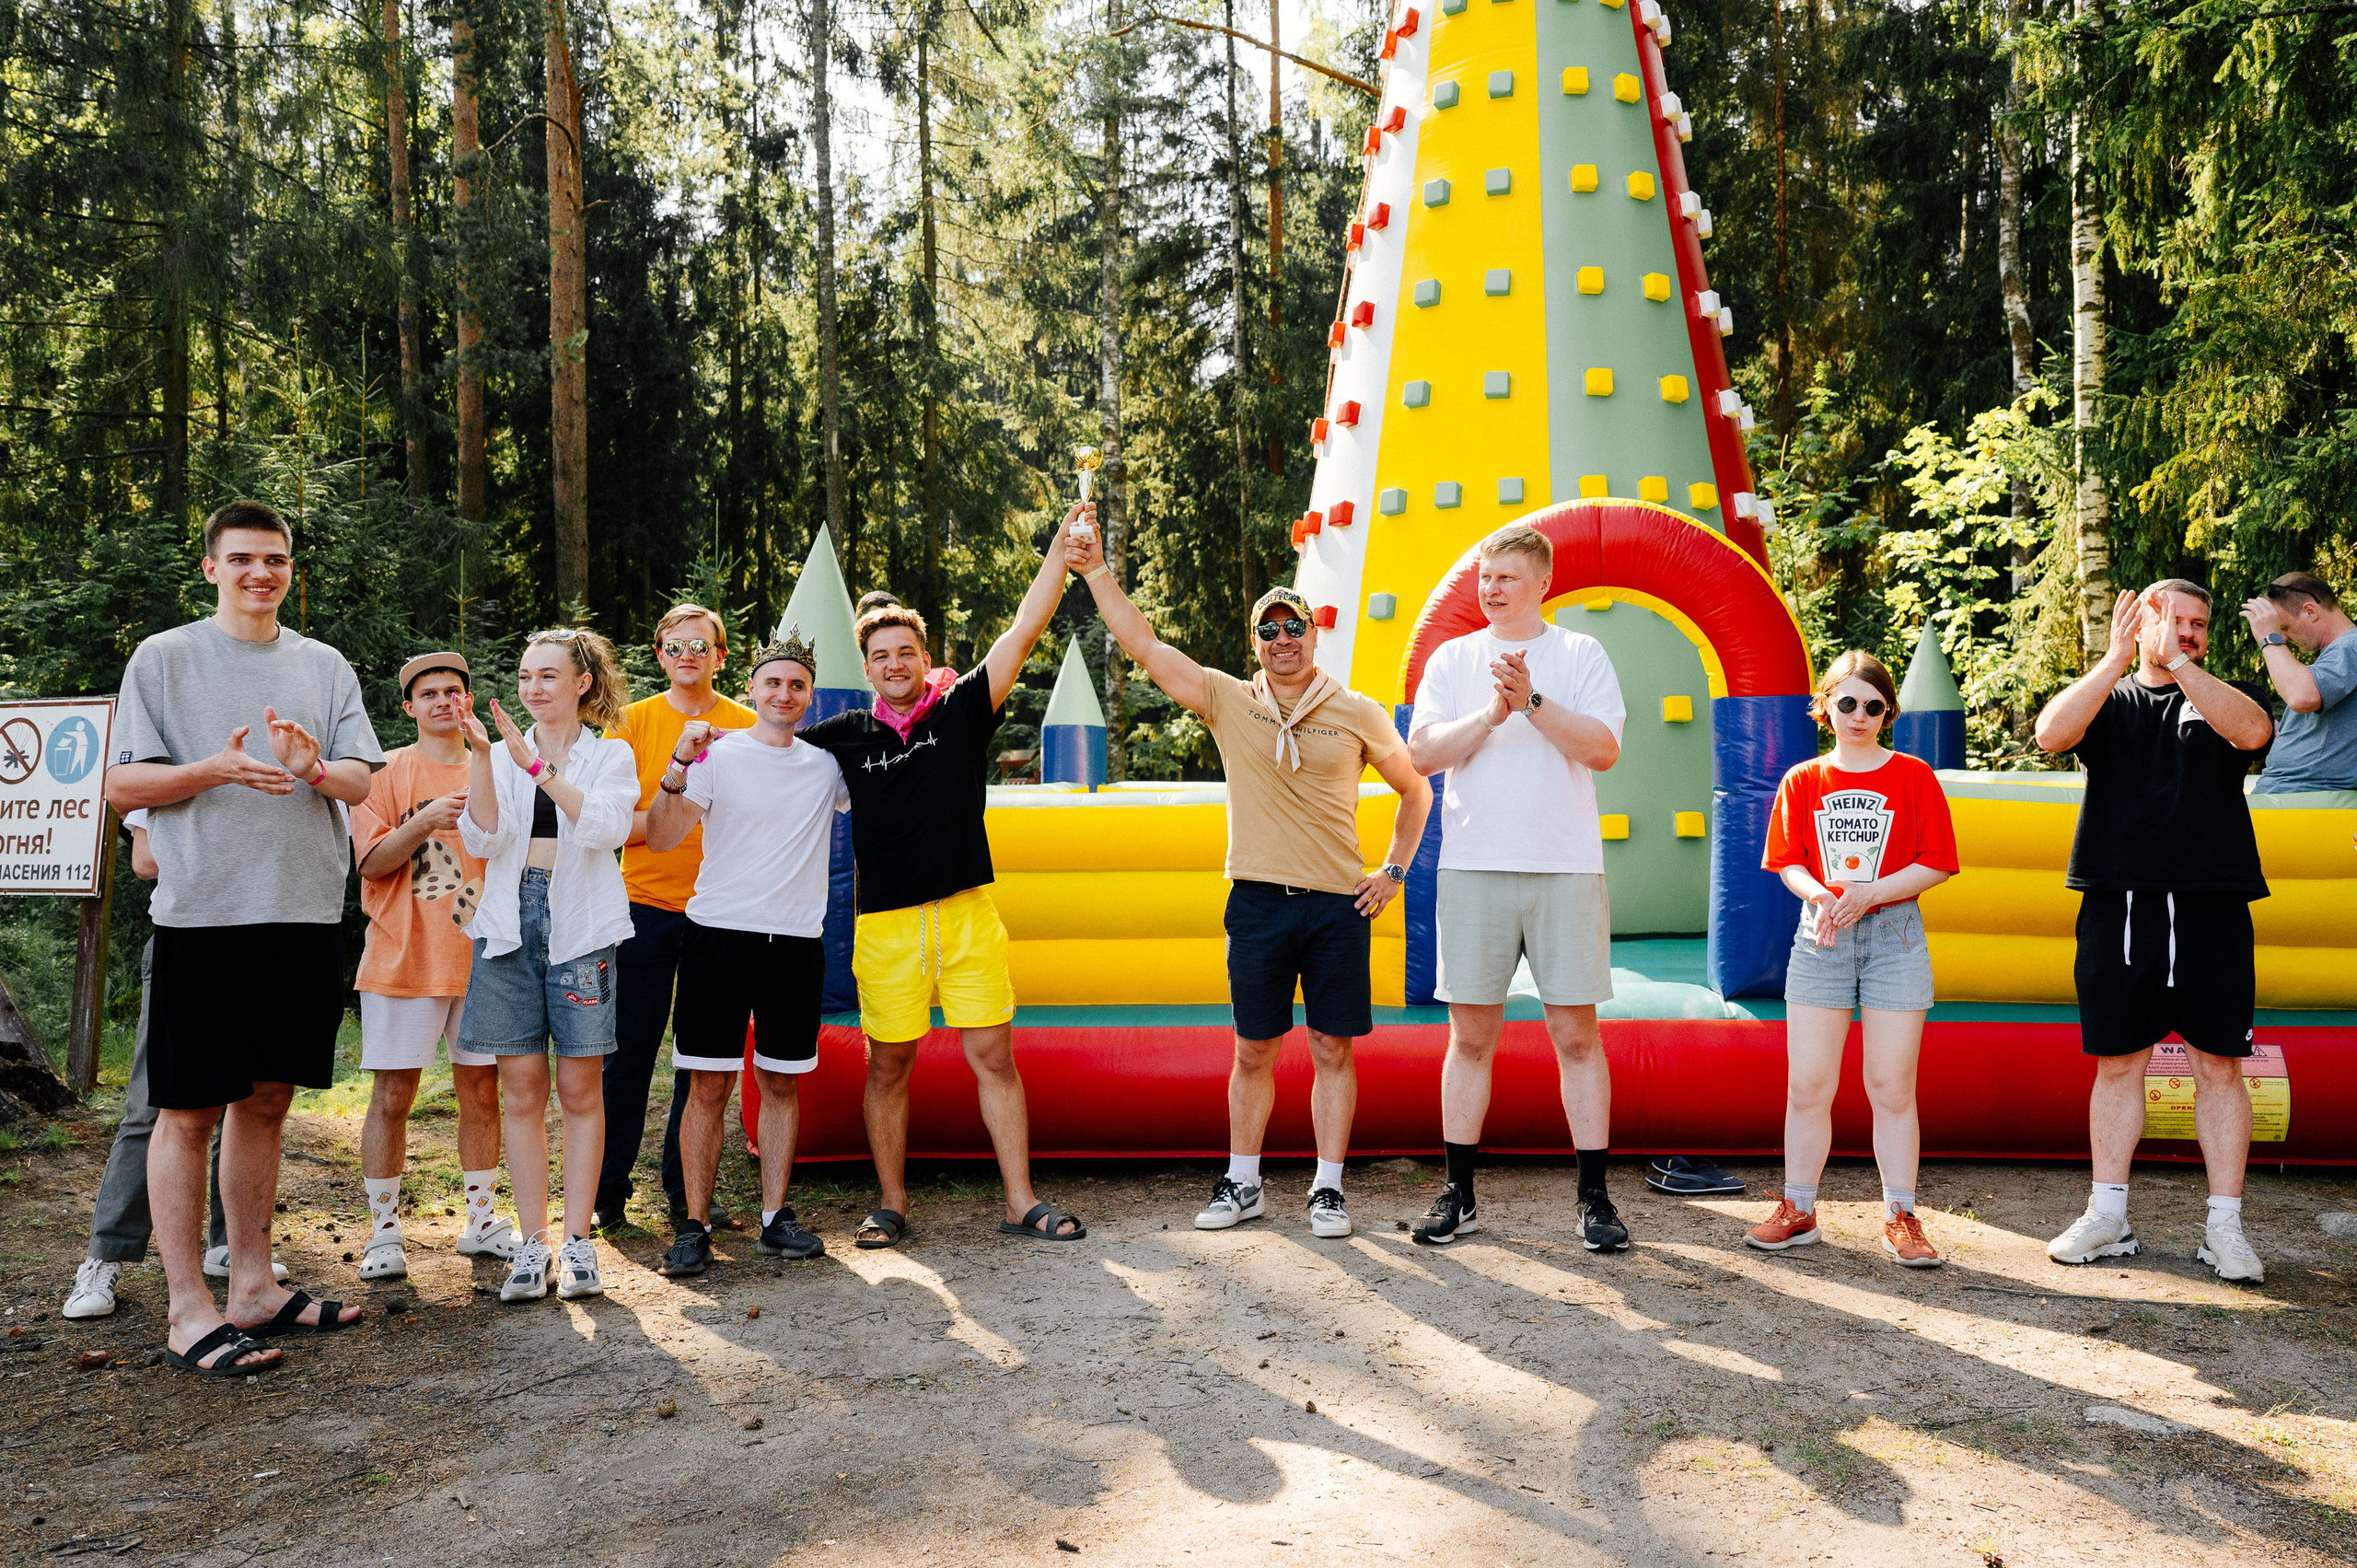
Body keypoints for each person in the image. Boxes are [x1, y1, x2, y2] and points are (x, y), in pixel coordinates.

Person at [1072, 529, 1431, 1239]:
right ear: (1256, 642)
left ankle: (1327, 1188)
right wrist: (1095, 571)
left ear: (1313, 634)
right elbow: (1145, 645)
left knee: (1333, 1049)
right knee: (1252, 1049)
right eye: (1268, 629)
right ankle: (1244, 1181)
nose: (1281, 637)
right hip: (1258, 901)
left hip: (1336, 904)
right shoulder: (1228, 699)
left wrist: (1393, 871)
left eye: (1293, 625)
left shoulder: (1355, 710)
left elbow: (1414, 791)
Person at [102, 499, 379, 1375]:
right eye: (245, 559)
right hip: (204, 916)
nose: (263, 573)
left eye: (277, 560)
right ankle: (189, 1310)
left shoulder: (323, 664)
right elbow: (119, 787)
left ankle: (253, 1286)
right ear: (212, 567)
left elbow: (361, 777)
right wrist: (212, 768)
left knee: (266, 1102)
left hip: (300, 915)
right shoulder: (166, 658)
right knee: (187, 1113)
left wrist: (313, 769)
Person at [799, 510, 1089, 1249]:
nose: (894, 664)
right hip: (886, 925)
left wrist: (1060, 551)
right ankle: (891, 1203)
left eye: (906, 651)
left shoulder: (961, 710)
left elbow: (1025, 627)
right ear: (865, 669)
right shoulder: (841, 738)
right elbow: (764, 751)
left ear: (925, 656)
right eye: (881, 655)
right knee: (888, 1063)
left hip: (966, 913)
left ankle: (1021, 1200)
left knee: (994, 1056)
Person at [2035, 582, 2273, 1283]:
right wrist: (2116, 657)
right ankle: (2107, 1216)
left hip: (2212, 903)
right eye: (2173, 621)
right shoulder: (2111, 696)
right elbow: (2051, 734)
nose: (2187, 632)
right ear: (2141, 625)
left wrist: (2183, 665)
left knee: (2219, 1067)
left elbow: (2255, 731)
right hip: (2121, 902)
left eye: (2198, 624)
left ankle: (2224, 1228)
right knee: (2118, 1062)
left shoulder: (2217, 700)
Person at [1404, 525, 1630, 1250]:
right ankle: (1457, 1192)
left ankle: (1593, 1197)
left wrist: (1532, 702)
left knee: (1574, 1033)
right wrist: (1492, 713)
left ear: (1542, 584)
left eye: (1506, 576)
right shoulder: (1453, 658)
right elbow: (1422, 753)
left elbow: (1603, 749)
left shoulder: (1580, 654)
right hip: (1473, 867)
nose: (1491, 587)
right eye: (1484, 576)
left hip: (1565, 865)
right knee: (1469, 1038)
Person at [1745, 651, 1958, 1267]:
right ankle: (1799, 1207)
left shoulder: (1914, 775)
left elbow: (1938, 860)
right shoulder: (1803, 780)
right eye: (1847, 703)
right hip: (1823, 935)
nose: (1859, 715)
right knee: (1808, 1082)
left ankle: (1900, 1215)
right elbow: (1787, 860)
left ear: (1887, 712)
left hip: (1894, 934)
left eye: (1873, 705)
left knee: (1891, 1085)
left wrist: (1870, 893)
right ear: (1825, 707)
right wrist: (1821, 894)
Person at [644, 628, 847, 1275]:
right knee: (708, 1084)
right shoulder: (718, 754)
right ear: (752, 689)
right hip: (718, 935)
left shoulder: (827, 763)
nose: (784, 693)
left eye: (797, 684)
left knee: (781, 1081)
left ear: (810, 695)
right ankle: (694, 1223)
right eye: (773, 682)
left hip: (794, 941)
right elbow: (662, 835)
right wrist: (678, 761)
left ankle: (773, 1218)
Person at [457, 628, 639, 1302]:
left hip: (581, 930)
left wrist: (536, 769)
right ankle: (532, 1246)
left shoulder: (610, 755)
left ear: (581, 683)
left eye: (548, 675)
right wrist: (483, 759)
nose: (533, 687)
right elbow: (483, 836)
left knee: (580, 1092)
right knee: (523, 1092)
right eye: (526, 674)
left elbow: (603, 827)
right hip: (508, 928)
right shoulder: (502, 755)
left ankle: (580, 1243)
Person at [63, 812, 290, 1319]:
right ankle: (105, 1256)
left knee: (244, 1102)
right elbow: (145, 859)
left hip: (264, 936)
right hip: (186, 937)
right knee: (157, 1107)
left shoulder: (278, 756)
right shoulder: (171, 759)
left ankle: (225, 1245)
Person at [349, 653, 519, 1281]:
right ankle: (383, 1231)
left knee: (481, 1090)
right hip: (403, 954)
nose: (444, 701)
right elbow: (369, 863)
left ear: (469, 701)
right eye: (430, 693)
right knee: (394, 1094)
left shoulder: (498, 765)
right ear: (409, 706)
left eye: (454, 691)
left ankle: (481, 1222)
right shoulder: (384, 771)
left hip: (484, 957)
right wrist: (421, 820)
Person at [596, 605, 757, 1236]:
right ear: (659, 654)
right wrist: (671, 816)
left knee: (704, 1061)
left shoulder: (746, 726)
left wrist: (670, 816)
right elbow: (612, 822)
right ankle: (607, 1191)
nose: (687, 653)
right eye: (674, 644)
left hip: (722, 913)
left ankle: (688, 1190)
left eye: (701, 644)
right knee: (628, 1054)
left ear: (721, 656)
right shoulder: (630, 725)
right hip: (644, 911)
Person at [2244, 573, 2357, 794]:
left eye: (2283, 627)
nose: (2283, 638)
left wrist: (2268, 637)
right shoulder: (2337, 654)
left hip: (2302, 797)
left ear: (2310, 611)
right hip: (2294, 796)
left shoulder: (2351, 646)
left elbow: (2302, 697)